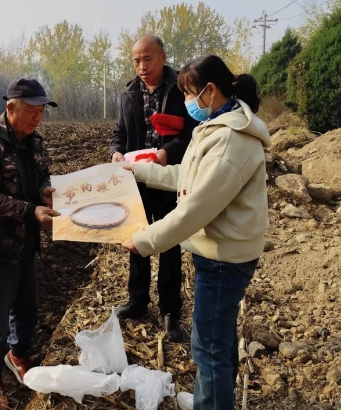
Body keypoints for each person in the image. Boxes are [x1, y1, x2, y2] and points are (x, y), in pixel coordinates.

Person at [121, 55, 270, 410]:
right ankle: (211, 397)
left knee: (208, 346)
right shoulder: (217, 128)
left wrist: (143, 241)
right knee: (219, 338)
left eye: (190, 94)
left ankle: (212, 402)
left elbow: (195, 209)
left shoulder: (232, 140)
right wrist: (137, 170)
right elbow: (184, 179)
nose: (188, 102)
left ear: (210, 91)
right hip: (221, 250)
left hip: (224, 257)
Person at [0, 78, 60, 408]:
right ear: (10, 108)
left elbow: (44, 173)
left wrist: (46, 189)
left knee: (27, 310)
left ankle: (17, 356)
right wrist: (32, 211)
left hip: (25, 243)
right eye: (31, 111)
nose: (36, 118)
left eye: (41, 111)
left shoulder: (34, 141)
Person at [110, 35, 198, 341]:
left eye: (147, 59)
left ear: (162, 56)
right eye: (136, 60)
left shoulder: (181, 90)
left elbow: (191, 134)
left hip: (169, 176)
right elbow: (119, 133)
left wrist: (166, 154)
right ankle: (137, 301)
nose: (141, 66)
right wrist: (116, 153)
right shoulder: (128, 94)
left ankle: (171, 310)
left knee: (170, 243)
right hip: (136, 179)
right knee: (137, 237)